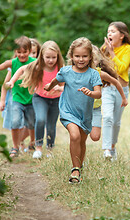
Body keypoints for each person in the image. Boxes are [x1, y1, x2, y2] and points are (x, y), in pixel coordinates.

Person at [44, 37, 102, 184]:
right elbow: (56, 80)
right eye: (77, 56)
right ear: (71, 56)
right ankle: (75, 169)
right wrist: (49, 87)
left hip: (85, 114)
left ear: (90, 57)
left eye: (84, 56)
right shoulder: (66, 71)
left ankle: (79, 168)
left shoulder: (93, 74)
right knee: (75, 136)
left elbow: (98, 93)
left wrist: (90, 93)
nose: (80, 59)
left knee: (82, 141)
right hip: (68, 111)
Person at [7, 40, 65, 159]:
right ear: (42, 56)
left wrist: (60, 87)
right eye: (47, 57)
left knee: (51, 125)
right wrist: (12, 81)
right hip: (40, 98)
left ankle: (50, 149)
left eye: (53, 57)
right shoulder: (38, 66)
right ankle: (38, 147)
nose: (50, 60)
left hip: (55, 100)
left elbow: (67, 83)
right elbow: (21, 70)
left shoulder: (61, 67)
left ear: (58, 56)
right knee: (40, 119)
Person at [100, 21, 130, 161]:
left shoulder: (127, 49)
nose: (109, 34)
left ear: (122, 35)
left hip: (122, 90)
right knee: (107, 117)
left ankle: (112, 147)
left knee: (116, 122)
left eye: (113, 31)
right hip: (107, 88)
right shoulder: (104, 49)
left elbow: (121, 68)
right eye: (108, 31)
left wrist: (112, 53)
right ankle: (106, 149)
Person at [0, 36, 36, 158]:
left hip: (31, 99)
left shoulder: (34, 62)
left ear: (30, 50)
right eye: (19, 52)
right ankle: (15, 147)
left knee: (32, 123)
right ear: (15, 51)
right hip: (16, 98)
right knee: (15, 122)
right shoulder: (12, 63)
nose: (21, 55)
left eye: (24, 52)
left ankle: (32, 144)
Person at [90, 45, 128, 144]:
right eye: (90, 60)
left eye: (94, 60)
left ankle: (110, 146)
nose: (92, 63)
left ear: (98, 61)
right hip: (81, 108)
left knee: (95, 136)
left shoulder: (100, 73)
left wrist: (124, 98)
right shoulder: (78, 72)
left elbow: (116, 82)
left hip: (95, 107)